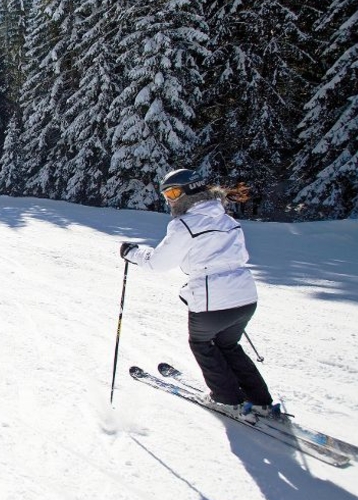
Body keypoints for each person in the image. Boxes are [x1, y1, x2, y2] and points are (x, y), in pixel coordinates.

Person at [119, 169, 278, 424]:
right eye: (166, 194)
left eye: (172, 193)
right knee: (228, 345)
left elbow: (159, 263)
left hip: (212, 299)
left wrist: (133, 254)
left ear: (190, 192)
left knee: (202, 344)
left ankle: (227, 399)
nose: (169, 200)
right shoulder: (227, 220)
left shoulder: (184, 225)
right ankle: (260, 401)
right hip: (245, 297)